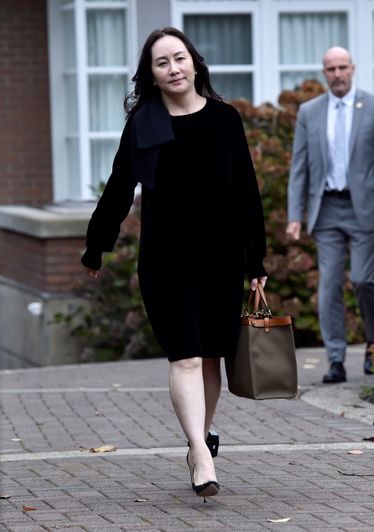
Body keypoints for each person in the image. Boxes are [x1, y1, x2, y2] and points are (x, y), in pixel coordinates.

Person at [81, 27, 268, 499]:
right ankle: (201, 454)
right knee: (184, 354)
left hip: (220, 257)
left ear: (195, 63)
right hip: (165, 258)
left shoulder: (225, 120)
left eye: (179, 58)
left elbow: (246, 192)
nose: (173, 68)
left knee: (210, 360)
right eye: (162, 63)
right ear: (152, 75)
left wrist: (257, 258)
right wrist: (96, 244)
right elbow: (120, 186)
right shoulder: (145, 123)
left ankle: (199, 439)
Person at [286, 46, 374, 383]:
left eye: (342, 67)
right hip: (326, 211)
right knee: (329, 287)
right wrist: (295, 214)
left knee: (364, 280)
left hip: (364, 208)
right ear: (324, 73)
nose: (337, 74)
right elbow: (300, 167)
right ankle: (335, 359)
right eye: (330, 69)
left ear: (352, 69)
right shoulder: (309, 112)